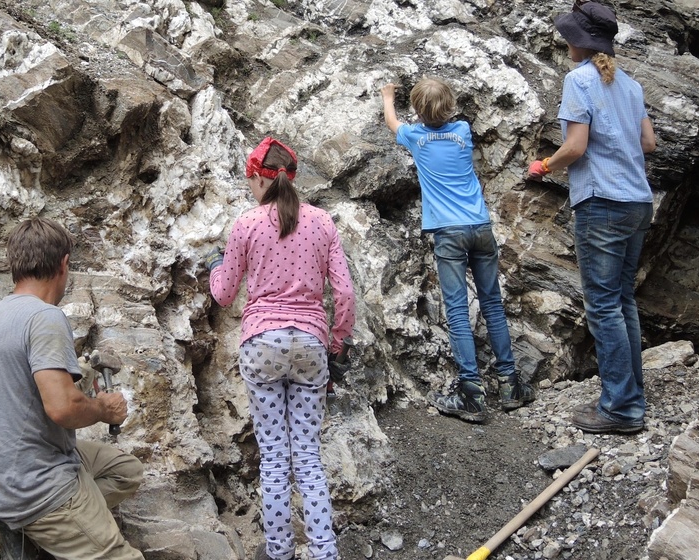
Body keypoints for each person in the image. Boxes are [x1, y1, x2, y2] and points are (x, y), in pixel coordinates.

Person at [207, 137, 356, 560]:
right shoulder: (322, 222)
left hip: (261, 343)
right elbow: (343, 293)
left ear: (258, 178)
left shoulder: (246, 225)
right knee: (307, 458)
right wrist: (337, 341)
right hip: (310, 343)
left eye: (249, 178)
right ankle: (325, 551)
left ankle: (279, 552)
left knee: (274, 459)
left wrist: (216, 266)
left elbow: (222, 295)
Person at [0, 217, 144, 560]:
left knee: (125, 471)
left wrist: (83, 377)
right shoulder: (45, 317)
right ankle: (67, 525)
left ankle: (62, 530)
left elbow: (6, 392)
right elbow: (62, 408)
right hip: (34, 484)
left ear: (14, 266)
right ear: (63, 264)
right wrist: (104, 409)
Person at [527, 1, 656, 435]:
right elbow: (649, 143)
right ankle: (631, 397)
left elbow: (576, 147)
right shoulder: (631, 85)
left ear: (578, 42)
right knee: (622, 300)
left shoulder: (579, 80)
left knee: (603, 305)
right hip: (638, 201)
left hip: (602, 202)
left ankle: (620, 408)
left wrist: (543, 165)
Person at [381, 78, 535, 423]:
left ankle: (472, 393)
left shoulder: (416, 137)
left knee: (457, 310)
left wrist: (388, 97)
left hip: (448, 232)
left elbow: (393, 123)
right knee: (492, 303)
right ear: (451, 106)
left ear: (418, 111)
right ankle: (510, 384)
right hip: (480, 226)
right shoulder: (463, 131)